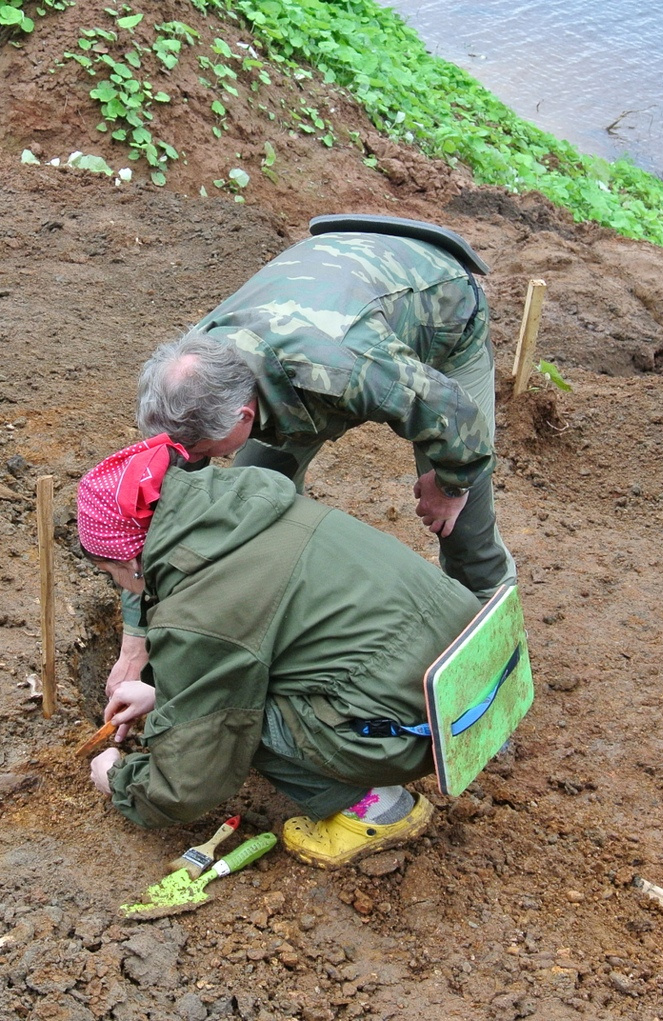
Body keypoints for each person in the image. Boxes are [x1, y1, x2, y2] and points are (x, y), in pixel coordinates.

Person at [108, 219, 517, 695]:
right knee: (252, 502)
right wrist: (136, 638)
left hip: (438, 304)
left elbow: (456, 419)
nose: (190, 461)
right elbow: (156, 515)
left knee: (466, 534)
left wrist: (449, 485)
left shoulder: (347, 369)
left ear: (242, 418)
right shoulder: (195, 373)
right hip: (329, 292)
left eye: (199, 453)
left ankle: (497, 681)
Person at [76, 433, 482, 867]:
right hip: (475, 674)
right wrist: (164, 694)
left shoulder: (200, 606)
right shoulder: (249, 508)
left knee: (233, 721)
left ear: (130, 558)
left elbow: (192, 778)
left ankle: (376, 810)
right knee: (239, 690)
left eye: (110, 573)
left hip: (424, 728)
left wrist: (119, 779)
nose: (120, 586)